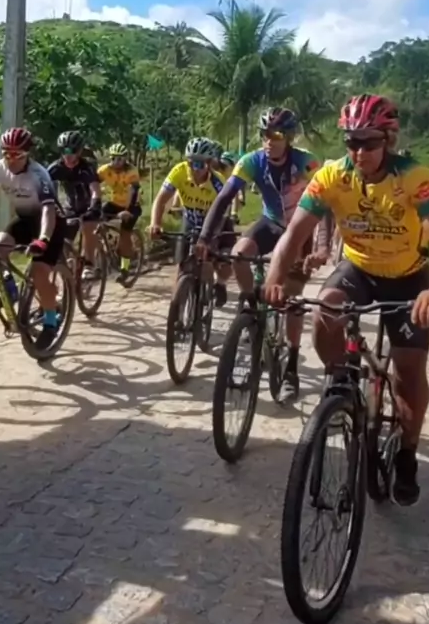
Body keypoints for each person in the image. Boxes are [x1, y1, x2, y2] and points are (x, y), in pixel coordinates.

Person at [264, 93, 429, 506]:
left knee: (407, 373)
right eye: (351, 142)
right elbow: (295, 232)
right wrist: (276, 278)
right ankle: (341, 384)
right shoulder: (333, 175)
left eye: (368, 142)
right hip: (359, 269)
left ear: (388, 140)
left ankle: (407, 453)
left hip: (407, 277)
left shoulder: (414, 176)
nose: (359, 152)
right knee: (326, 308)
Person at [197, 107, 320, 403]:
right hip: (270, 223)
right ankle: (251, 306)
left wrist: (321, 246)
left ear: (289, 138)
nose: (268, 140)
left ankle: (291, 367)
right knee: (239, 254)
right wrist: (205, 238)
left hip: (299, 230)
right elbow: (224, 198)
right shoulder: (252, 160)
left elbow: (325, 202)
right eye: (264, 134)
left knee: (291, 299)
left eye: (275, 135)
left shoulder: (306, 162)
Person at [0, 127, 67, 350]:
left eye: (17, 154)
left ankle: (51, 322)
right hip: (25, 220)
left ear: (27, 154)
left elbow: (48, 211)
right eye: (7, 153)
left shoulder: (38, 174)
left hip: (50, 224)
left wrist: (43, 239)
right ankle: (9, 289)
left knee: (39, 272)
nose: (11, 160)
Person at [148, 136, 232, 305]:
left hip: (215, 221)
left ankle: (220, 284)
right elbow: (161, 199)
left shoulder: (219, 183)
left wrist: (208, 239)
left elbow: (222, 215)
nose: (194, 169)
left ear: (209, 163)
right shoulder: (179, 171)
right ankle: (177, 306)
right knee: (181, 266)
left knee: (220, 262)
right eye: (191, 163)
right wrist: (155, 223)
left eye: (200, 164)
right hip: (191, 219)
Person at [48, 131, 102, 278]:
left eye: (72, 151)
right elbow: (44, 189)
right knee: (64, 239)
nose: (68, 155)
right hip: (70, 207)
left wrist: (95, 205)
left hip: (89, 205)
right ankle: (67, 272)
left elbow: (95, 189)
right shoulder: (55, 168)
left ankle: (89, 264)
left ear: (79, 151)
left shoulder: (87, 167)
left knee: (88, 226)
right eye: (64, 151)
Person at [98, 144, 141, 284]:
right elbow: (92, 184)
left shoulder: (131, 171)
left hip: (131, 205)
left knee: (125, 234)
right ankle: (106, 243)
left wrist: (128, 210)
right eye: (113, 159)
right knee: (96, 217)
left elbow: (134, 191)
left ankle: (125, 268)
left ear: (125, 159)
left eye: (120, 159)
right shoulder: (105, 170)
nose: (116, 162)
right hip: (115, 203)